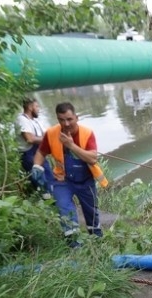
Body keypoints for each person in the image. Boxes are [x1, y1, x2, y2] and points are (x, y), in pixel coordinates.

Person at [31, 102, 109, 246]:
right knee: (64, 208)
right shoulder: (51, 133)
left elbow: (92, 159)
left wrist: (71, 145)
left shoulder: (87, 133)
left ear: (76, 117)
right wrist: (36, 166)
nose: (66, 124)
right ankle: (74, 245)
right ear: (57, 119)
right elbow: (41, 152)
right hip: (62, 180)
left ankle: (97, 240)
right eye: (61, 120)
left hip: (85, 180)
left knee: (91, 212)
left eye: (69, 119)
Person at [15, 97, 53, 194]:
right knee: (41, 183)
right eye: (37, 106)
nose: (38, 109)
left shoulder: (35, 121)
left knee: (50, 180)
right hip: (29, 156)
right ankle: (45, 201)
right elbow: (30, 139)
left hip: (40, 154)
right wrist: (48, 140)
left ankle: (54, 200)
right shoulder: (22, 120)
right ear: (30, 107)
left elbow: (46, 134)